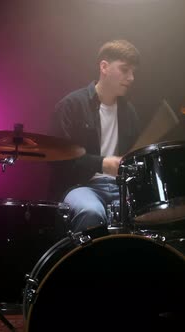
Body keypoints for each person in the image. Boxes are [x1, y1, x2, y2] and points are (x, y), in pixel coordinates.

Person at [49, 39, 141, 233]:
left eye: (133, 72)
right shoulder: (71, 106)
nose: (131, 77)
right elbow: (58, 162)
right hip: (81, 187)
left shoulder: (129, 112)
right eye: (125, 70)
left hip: (120, 188)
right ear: (104, 67)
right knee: (91, 212)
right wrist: (102, 163)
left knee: (150, 212)